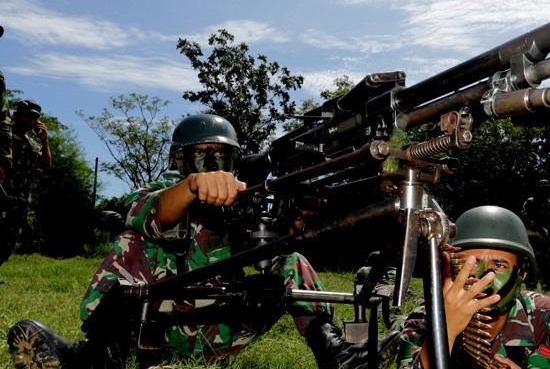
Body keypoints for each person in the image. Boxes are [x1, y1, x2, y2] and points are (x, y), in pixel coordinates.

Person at [7, 114, 398, 369]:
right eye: (201, 155)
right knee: (132, 240)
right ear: (180, 161)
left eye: (221, 156)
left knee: (289, 258)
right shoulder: (159, 191)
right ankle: (98, 357)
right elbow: (154, 216)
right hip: (156, 331)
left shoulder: (251, 200)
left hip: (223, 329)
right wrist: (193, 187)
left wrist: (290, 218)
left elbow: (289, 240)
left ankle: (336, 353)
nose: (212, 164)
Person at [397, 205, 550, 369]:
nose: (484, 278)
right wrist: (444, 328)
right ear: (451, 270)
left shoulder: (544, 316)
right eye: (472, 265)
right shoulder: (424, 320)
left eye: (499, 265)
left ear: (521, 275)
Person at [0, 100, 51, 267]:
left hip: (19, 202)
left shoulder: (32, 144)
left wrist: (45, 141)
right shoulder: (4, 134)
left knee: (8, 241)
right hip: (2, 195)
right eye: (29, 116)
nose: (32, 121)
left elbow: (46, 166)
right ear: (18, 114)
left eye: (36, 117)